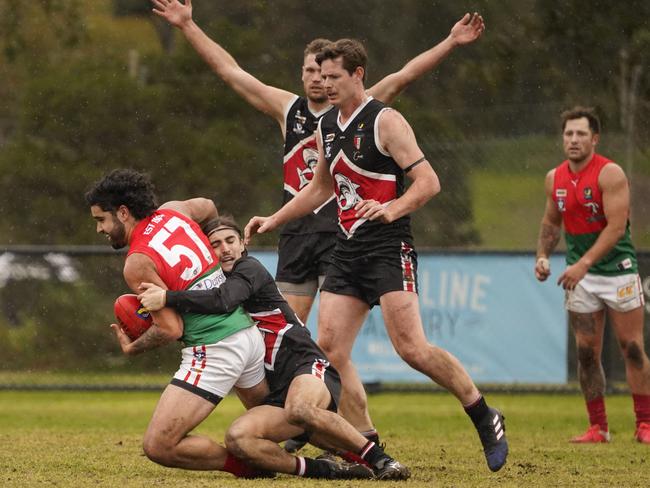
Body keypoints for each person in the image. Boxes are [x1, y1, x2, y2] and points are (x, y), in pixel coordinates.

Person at [245, 39, 509, 472]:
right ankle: (363, 443)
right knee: (328, 349)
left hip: (389, 247)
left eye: (334, 77)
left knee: (412, 348)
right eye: (322, 76)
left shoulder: (386, 121)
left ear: (358, 75)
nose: (326, 84)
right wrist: (275, 219)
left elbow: (428, 182)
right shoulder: (327, 124)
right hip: (347, 248)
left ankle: (483, 414)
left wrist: (391, 209)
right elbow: (319, 188)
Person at [151, 0, 485, 329]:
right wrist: (187, 25)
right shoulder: (289, 109)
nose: (318, 80)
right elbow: (231, 73)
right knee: (287, 328)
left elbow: (405, 75)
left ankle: (331, 383)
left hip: (339, 232)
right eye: (310, 71)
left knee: (333, 342)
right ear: (302, 73)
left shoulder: (362, 109)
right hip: (297, 233)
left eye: (324, 73)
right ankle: (302, 383)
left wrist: (451, 41)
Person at [85, 168, 378, 480]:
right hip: (247, 336)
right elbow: (209, 206)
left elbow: (172, 329)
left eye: (101, 219)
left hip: (215, 349)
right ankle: (362, 457)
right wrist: (214, 260)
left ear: (124, 212)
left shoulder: (138, 261)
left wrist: (135, 346)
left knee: (159, 445)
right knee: (281, 418)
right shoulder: (175, 211)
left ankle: (250, 468)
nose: (100, 229)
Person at [138, 215, 410, 479]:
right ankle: (326, 470)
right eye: (215, 244)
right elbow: (198, 308)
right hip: (277, 391)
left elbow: (223, 300)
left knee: (299, 409)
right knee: (238, 439)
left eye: (230, 240)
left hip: (306, 365)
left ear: (242, 244)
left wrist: (166, 297)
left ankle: (381, 460)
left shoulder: (249, 269)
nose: (225, 249)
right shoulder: (210, 286)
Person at [534, 106, 650, 444]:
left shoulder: (610, 173)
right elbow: (551, 222)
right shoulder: (554, 178)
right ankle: (597, 427)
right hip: (580, 277)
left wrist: (583, 264)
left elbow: (616, 228)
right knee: (586, 353)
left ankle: (644, 424)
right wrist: (542, 256)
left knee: (631, 347)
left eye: (581, 133)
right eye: (568, 133)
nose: (573, 139)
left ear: (594, 139)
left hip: (618, 272)